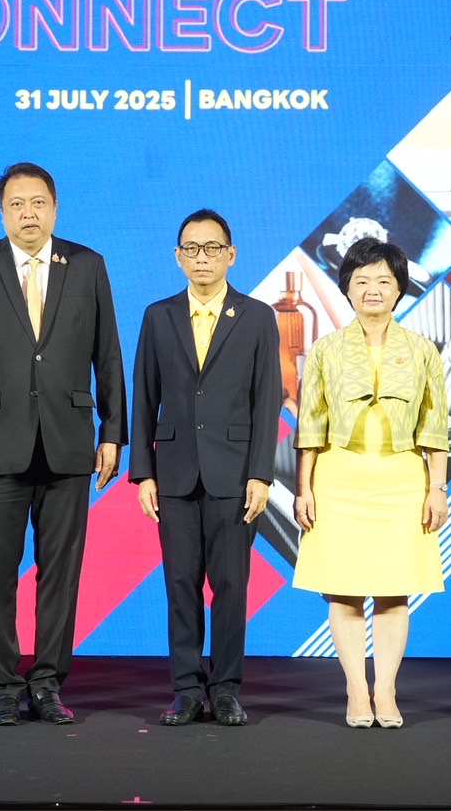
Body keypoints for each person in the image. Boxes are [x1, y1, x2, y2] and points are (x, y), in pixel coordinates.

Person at [0, 162, 128, 726]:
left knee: (60, 574)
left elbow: (108, 355)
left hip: (69, 444)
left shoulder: (87, 264)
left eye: (38, 202)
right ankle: (2, 685)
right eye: (17, 204)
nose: (29, 213)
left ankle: (46, 684)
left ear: (55, 208)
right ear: (2, 212)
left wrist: (112, 432)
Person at [130, 209, 282, 727]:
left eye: (212, 248)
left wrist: (261, 473)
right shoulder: (158, 316)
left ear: (230, 254)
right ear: (178, 257)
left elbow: (267, 400)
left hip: (236, 474)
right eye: (191, 249)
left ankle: (227, 689)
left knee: (232, 586)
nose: (202, 257)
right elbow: (143, 397)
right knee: (180, 583)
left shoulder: (257, 316)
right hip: (173, 473)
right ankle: (187, 689)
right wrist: (143, 472)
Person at [291, 237, 449, 729]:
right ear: (346, 288)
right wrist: (304, 489)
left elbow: (435, 427)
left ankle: (386, 690)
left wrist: (437, 488)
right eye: (361, 281)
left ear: (400, 288)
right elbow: (310, 427)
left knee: (394, 591)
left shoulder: (423, 350)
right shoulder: (325, 350)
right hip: (338, 481)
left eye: (383, 280)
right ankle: (356, 690)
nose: (373, 289)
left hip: (402, 481)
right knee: (344, 591)